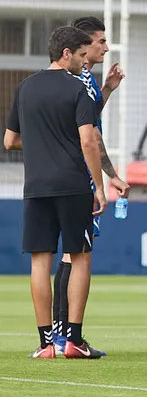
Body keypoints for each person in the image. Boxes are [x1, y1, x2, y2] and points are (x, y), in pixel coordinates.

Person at [4, 26, 106, 358]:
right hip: (74, 185)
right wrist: (100, 187)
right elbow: (88, 140)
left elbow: (10, 141)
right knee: (79, 259)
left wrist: (40, 145)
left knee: (39, 263)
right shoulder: (78, 90)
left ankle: (45, 344)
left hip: (36, 187)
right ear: (66, 54)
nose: (82, 62)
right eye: (80, 55)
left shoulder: (25, 88)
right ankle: (74, 341)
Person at [51, 16, 130, 355]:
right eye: (100, 41)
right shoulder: (77, 80)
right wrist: (105, 179)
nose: (106, 47)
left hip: (58, 176)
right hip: (77, 178)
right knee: (76, 254)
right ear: (83, 46)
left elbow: (91, 123)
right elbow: (90, 136)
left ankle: (59, 333)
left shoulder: (85, 80)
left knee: (68, 254)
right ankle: (69, 336)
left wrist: (108, 89)